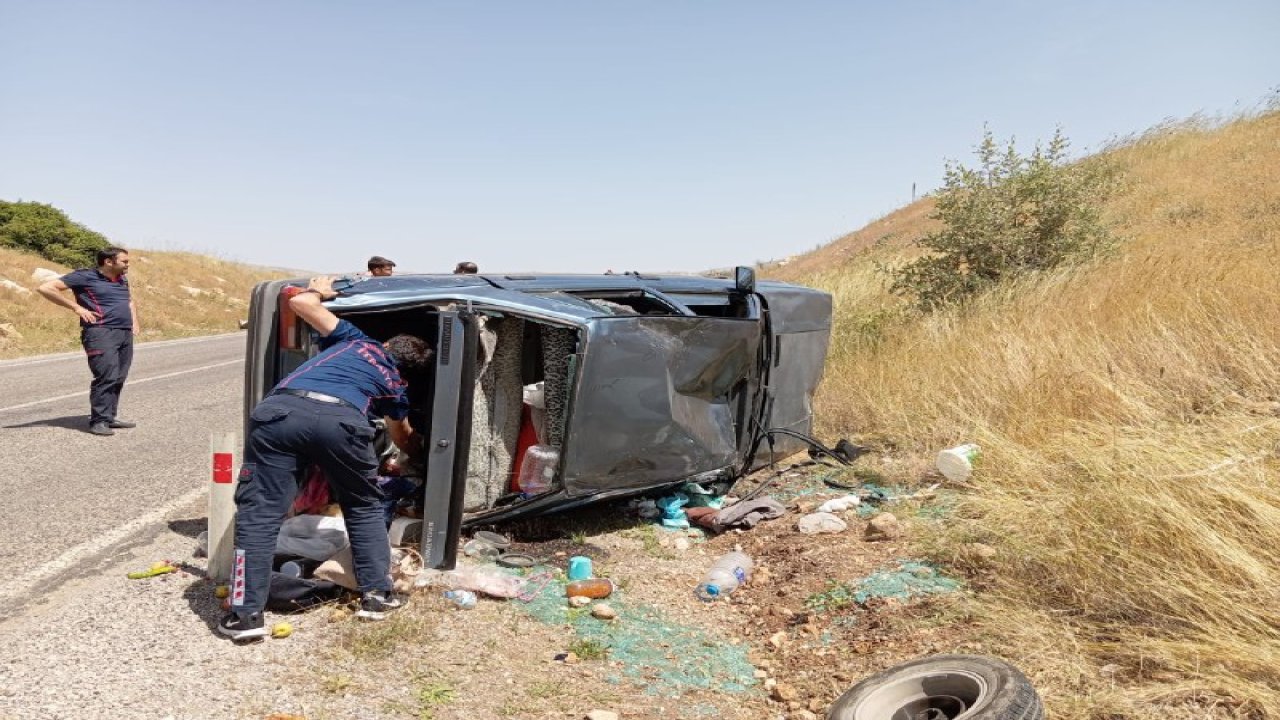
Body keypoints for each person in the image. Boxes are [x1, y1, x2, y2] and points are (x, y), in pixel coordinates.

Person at [219, 275, 433, 640]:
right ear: (409, 374)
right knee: (363, 505)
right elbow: (401, 435)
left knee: (261, 514)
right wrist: (422, 456)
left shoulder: (355, 339)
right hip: (342, 422)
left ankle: (246, 617)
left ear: (385, 343)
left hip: (279, 413)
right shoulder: (396, 385)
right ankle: (377, 598)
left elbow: (301, 304)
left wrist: (320, 289)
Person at [36, 247, 140, 436]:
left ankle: (109, 417)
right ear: (109, 262)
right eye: (124, 261)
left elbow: (129, 301)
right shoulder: (84, 276)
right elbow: (45, 288)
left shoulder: (122, 279)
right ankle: (98, 421)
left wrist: (134, 322)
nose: (128, 264)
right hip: (100, 332)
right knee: (106, 376)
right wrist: (77, 308)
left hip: (124, 332)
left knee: (119, 377)